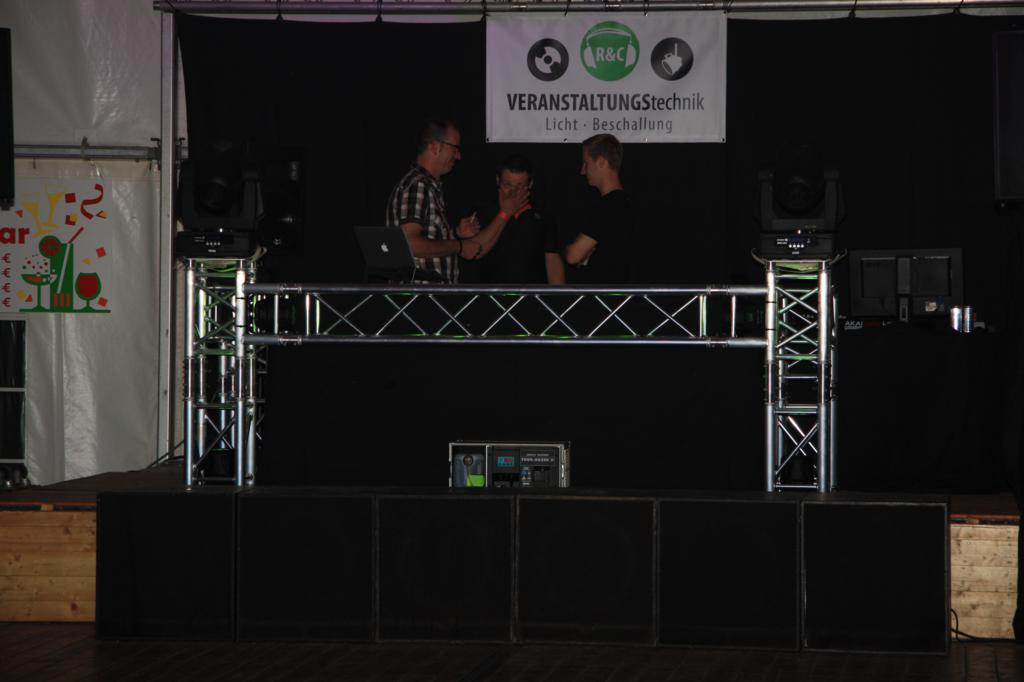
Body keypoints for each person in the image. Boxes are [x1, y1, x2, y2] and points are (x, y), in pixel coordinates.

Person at [385, 119, 528, 283]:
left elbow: (425, 239)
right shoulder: (417, 185)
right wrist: (458, 245)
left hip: (428, 294)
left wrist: (454, 234)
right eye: (455, 148)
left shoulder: (428, 186)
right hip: (419, 293)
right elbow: (409, 244)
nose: (458, 156)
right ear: (436, 146)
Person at [465, 154, 565, 285]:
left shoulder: (542, 215)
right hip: (490, 291)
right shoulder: (483, 209)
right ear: (498, 180)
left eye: (519, 186)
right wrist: (505, 213)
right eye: (507, 185)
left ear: (530, 184)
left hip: (531, 293)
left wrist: (558, 295)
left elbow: (552, 260)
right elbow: (473, 250)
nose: (513, 192)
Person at [564, 134, 634, 283]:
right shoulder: (626, 203)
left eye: (586, 163)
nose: (582, 171)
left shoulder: (610, 205)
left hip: (606, 293)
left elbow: (573, 256)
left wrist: (570, 249)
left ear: (601, 162)